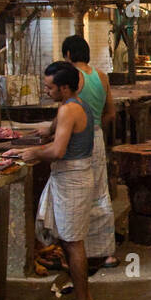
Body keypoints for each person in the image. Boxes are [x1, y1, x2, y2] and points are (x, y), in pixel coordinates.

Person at [4, 65, 97, 300]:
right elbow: (57, 142)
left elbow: (57, 151)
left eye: (49, 87)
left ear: (64, 87)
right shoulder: (76, 103)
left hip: (73, 179)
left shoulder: (69, 108)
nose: (46, 91)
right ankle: (85, 298)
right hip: (73, 176)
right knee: (70, 240)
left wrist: (33, 153)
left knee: (73, 241)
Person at [62, 36, 119, 267]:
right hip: (96, 137)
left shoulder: (70, 79)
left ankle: (76, 253)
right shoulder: (102, 77)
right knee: (100, 192)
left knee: (75, 195)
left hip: (76, 141)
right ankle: (106, 253)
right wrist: (94, 127)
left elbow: (65, 112)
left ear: (67, 54)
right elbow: (111, 113)